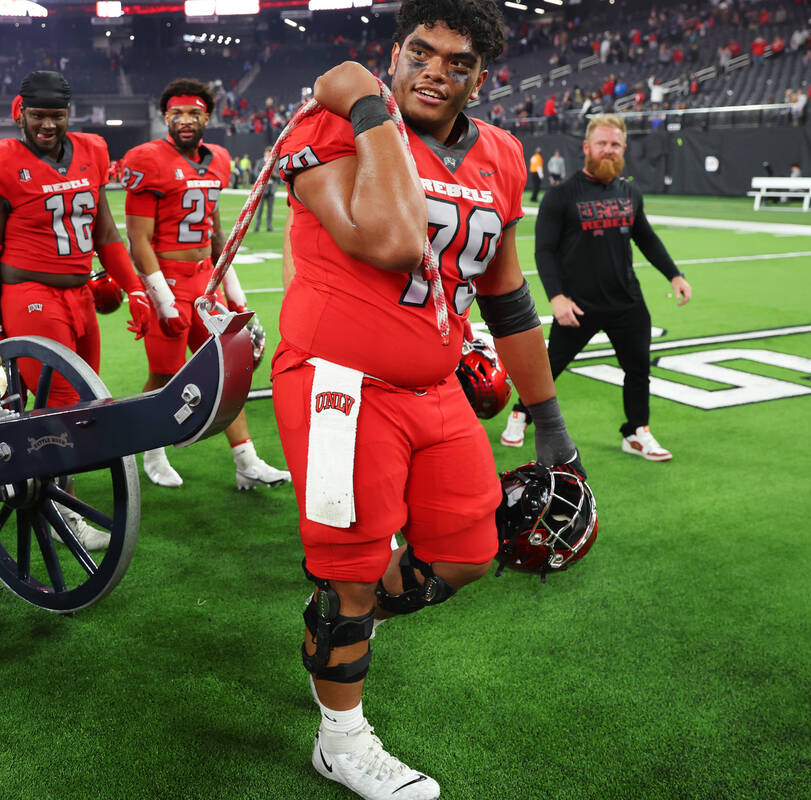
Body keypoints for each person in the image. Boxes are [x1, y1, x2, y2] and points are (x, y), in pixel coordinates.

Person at [274, 2, 585, 798]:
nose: (434, 71)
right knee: (349, 573)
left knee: (468, 551)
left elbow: (508, 296)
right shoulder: (331, 123)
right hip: (342, 381)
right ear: (395, 51)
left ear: (482, 77)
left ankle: (340, 623)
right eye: (420, 52)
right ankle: (340, 737)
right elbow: (387, 239)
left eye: (457, 61)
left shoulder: (503, 155)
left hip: (434, 381)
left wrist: (550, 424)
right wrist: (371, 108)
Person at [0, 71, 152, 551]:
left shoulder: (91, 149)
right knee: (61, 410)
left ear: (69, 113)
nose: (47, 125)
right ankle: (60, 513)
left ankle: (40, 485)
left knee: (87, 405)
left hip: (80, 296)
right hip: (30, 295)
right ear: (19, 112)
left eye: (56, 115)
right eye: (38, 115)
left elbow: (107, 233)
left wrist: (134, 289)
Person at [121, 78, 291, 491]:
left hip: (204, 283)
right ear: (164, 117)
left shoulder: (217, 159)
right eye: (176, 113)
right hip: (168, 280)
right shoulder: (146, 159)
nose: (185, 120)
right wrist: (161, 299)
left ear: (207, 117)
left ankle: (246, 459)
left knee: (226, 371)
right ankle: (153, 452)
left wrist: (236, 296)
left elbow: (216, 236)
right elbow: (138, 239)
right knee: (163, 374)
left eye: (194, 113)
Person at [501, 113, 692, 462]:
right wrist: (556, 297)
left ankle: (636, 431)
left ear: (624, 149)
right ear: (587, 147)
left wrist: (675, 275)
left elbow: (646, 239)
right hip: (577, 304)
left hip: (627, 303)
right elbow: (544, 250)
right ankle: (522, 412)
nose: (608, 150)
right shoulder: (560, 195)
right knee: (549, 367)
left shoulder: (629, 192)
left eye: (615, 145)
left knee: (638, 371)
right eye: (602, 144)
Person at [252, 145, 280, 232]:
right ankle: (257, 226)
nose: (269, 155)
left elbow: (280, 175)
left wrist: (275, 175)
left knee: (270, 210)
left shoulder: (276, 162)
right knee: (259, 209)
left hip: (271, 188)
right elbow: (255, 172)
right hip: (262, 189)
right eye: (268, 153)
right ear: (265, 153)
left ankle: (269, 226)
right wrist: (263, 174)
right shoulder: (260, 162)